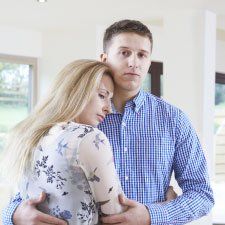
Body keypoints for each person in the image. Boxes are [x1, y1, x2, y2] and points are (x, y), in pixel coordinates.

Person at [2, 19, 214, 225]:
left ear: (149, 62)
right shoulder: (70, 124)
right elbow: (28, 191)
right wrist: (15, 216)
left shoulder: (174, 120)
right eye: (124, 53)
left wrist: (152, 215)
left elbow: (202, 195)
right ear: (104, 58)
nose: (133, 62)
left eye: (142, 55)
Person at [1, 59, 128, 224]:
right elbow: (118, 217)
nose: (108, 108)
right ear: (76, 91)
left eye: (110, 100)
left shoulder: (25, 135)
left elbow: (20, 201)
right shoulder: (89, 137)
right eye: (102, 95)